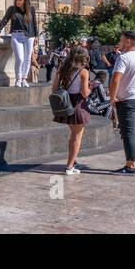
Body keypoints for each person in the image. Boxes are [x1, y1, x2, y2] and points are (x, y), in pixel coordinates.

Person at [108, 31, 135, 175]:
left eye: (121, 40)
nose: (119, 42)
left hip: (127, 100)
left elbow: (115, 79)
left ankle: (130, 165)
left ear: (128, 42)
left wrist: (112, 97)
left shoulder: (123, 58)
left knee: (128, 133)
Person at [54, 45, 92, 175]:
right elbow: (85, 93)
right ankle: (69, 166)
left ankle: (72, 161)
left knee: (73, 135)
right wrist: (93, 87)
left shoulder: (62, 69)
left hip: (65, 103)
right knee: (77, 136)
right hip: (77, 104)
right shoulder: (84, 72)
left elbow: (54, 89)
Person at [0, 0, 38, 87]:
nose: (18, 1)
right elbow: (5, 20)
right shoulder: (12, 10)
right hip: (16, 36)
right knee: (20, 58)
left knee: (27, 59)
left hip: (29, 36)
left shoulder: (31, 9)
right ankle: (18, 79)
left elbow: (34, 23)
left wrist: (36, 36)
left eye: (20, 0)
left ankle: (24, 79)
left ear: (25, 1)